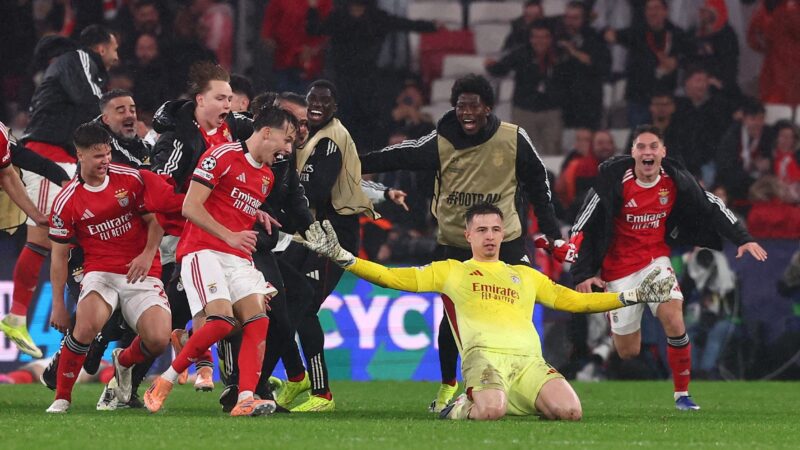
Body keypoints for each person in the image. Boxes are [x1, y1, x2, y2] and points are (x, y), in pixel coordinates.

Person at [300, 203, 676, 421]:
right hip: (484, 358)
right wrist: (344, 258)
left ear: (504, 233)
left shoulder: (525, 275)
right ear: (468, 235)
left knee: (571, 413)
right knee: (491, 412)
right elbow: (390, 277)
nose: (490, 236)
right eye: (482, 230)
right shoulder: (451, 271)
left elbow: (576, 302)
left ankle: (501, 397)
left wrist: (632, 295)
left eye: (496, 229)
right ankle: (460, 406)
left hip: (529, 363)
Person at [358, 74, 561, 412]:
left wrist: (553, 233)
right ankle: (448, 385)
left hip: (505, 242)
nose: (467, 112)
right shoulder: (441, 141)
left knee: (518, 309)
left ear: (488, 108)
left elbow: (539, 184)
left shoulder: (513, 138)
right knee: (450, 320)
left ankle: (525, 378)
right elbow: (398, 156)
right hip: (455, 242)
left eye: (474, 106)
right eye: (461, 106)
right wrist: (352, 162)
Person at [570, 124, 768, 410]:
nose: (647, 152)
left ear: (663, 152)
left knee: (674, 319)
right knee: (628, 351)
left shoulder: (676, 180)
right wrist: (583, 273)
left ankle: (682, 395)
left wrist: (743, 238)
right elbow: (581, 226)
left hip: (655, 262)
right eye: (641, 147)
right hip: (619, 270)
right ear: (633, 152)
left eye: (653, 146)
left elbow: (712, 204)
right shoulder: (612, 181)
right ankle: (626, 314)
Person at [143, 105, 295, 417]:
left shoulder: (266, 177)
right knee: (222, 321)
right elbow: (190, 206)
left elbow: (233, 210)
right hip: (203, 251)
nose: (289, 149)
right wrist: (230, 236)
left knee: (259, 320)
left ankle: (246, 398)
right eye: (288, 139)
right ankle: (165, 380)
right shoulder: (221, 156)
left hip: (237, 258)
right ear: (268, 132)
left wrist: (250, 277)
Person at [1, 25, 119, 359]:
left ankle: (78, 321)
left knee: (74, 238)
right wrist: (113, 123)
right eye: (114, 48)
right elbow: (88, 101)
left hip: (63, 160)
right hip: (46, 154)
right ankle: (16, 317)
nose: (116, 56)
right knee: (42, 238)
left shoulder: (74, 69)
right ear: (100, 47)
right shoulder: (78, 58)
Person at [45, 123, 172, 414]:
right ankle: (62, 397)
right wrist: (58, 306)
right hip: (101, 272)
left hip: (141, 271)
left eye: (107, 154)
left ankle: (123, 361)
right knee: (85, 327)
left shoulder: (130, 178)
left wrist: (147, 255)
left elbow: (156, 221)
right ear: (80, 155)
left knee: (158, 340)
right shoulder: (66, 201)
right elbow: (58, 257)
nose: (105, 161)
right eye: (97, 156)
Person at [270, 80, 378, 412]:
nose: (317, 105)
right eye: (312, 99)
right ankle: (297, 377)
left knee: (303, 309)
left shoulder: (331, 139)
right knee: (281, 304)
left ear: (335, 107)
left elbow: (315, 191)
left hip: (334, 238)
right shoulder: (313, 138)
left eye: (324, 101)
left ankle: (322, 393)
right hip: (310, 236)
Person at [150, 61, 254, 392]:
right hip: (181, 232)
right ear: (200, 100)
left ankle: (217, 370)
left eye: (230, 98)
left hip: (224, 233)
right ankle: (130, 372)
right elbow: (158, 190)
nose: (228, 105)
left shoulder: (234, 129)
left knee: (226, 308)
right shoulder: (179, 139)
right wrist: (197, 205)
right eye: (221, 98)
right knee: (203, 308)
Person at [486, 21, 567, 156]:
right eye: (536, 37)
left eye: (544, 37)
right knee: (522, 153)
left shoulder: (560, 55)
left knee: (553, 151)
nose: (539, 41)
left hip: (552, 111)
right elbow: (501, 69)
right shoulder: (521, 53)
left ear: (550, 39)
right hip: (524, 109)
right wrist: (491, 66)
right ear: (530, 38)